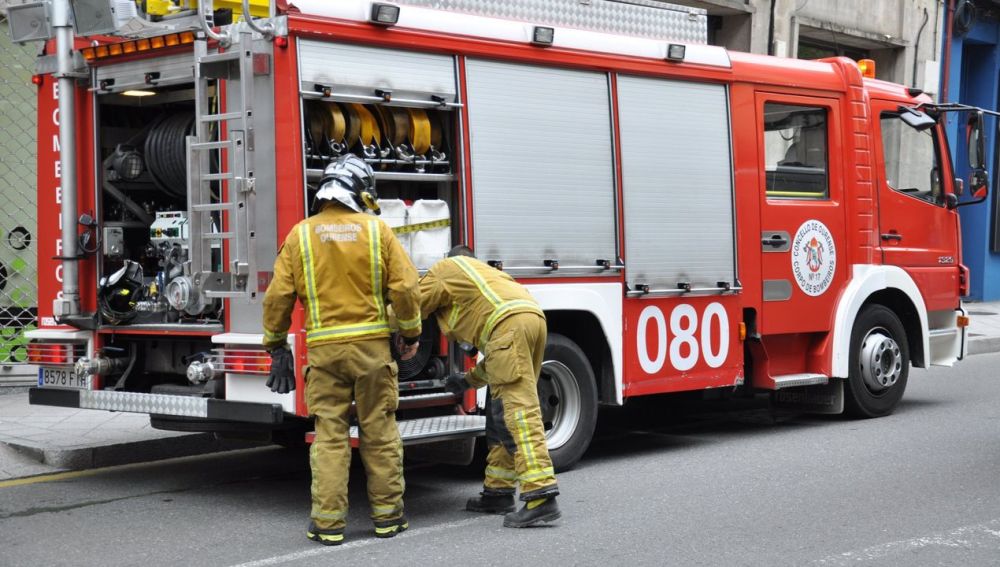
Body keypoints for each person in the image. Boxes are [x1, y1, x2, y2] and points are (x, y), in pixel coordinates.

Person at [261, 154, 422, 546]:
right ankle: (388, 518)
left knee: (330, 436)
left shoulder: (300, 234)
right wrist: (410, 332)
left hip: (325, 354)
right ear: (360, 190)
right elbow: (405, 287)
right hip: (372, 352)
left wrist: (276, 345)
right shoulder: (377, 230)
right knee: (379, 432)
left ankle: (328, 524)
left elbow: (278, 296)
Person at [419, 245, 561, 527]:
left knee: (519, 413)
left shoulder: (447, 268)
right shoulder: (490, 276)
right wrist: (467, 381)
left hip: (509, 328)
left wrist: (382, 324)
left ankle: (541, 496)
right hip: (532, 321)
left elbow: (410, 304)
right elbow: (499, 361)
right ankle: (498, 492)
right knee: (500, 412)